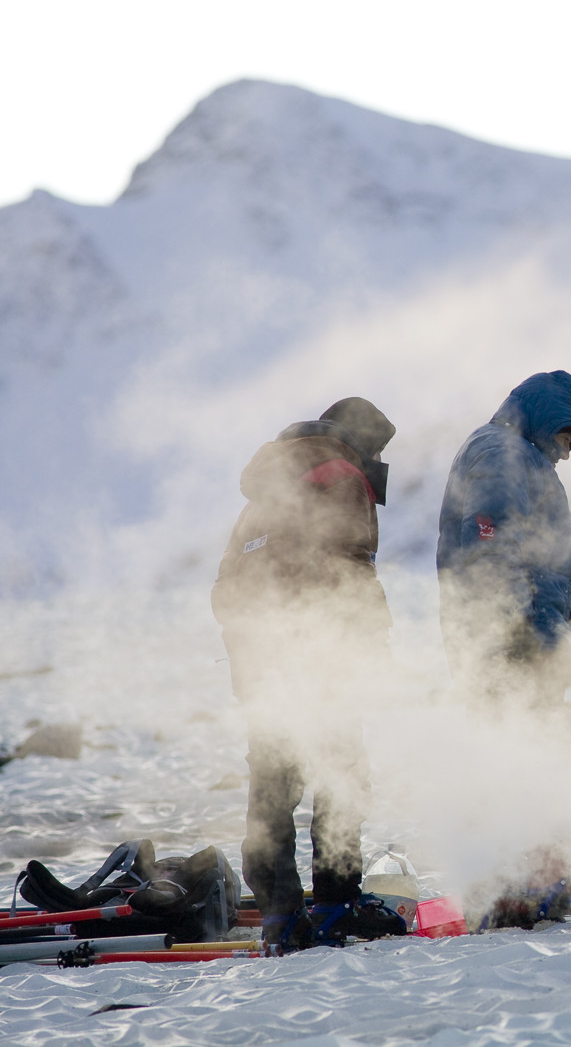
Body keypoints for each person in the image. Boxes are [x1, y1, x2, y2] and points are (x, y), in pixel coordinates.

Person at [212, 397, 408, 948]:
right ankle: (334, 903)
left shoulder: (261, 499)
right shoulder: (341, 474)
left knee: (273, 789)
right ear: (360, 441)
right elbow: (348, 571)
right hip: (321, 665)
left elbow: (226, 591)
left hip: (262, 670)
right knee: (343, 776)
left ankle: (280, 915)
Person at [437, 370, 571, 709]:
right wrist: (513, 637)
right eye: (565, 439)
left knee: (530, 753)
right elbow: (491, 545)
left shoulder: (517, 455)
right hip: (512, 649)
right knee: (520, 747)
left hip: (523, 646)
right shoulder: (501, 453)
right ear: (545, 421)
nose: (566, 454)